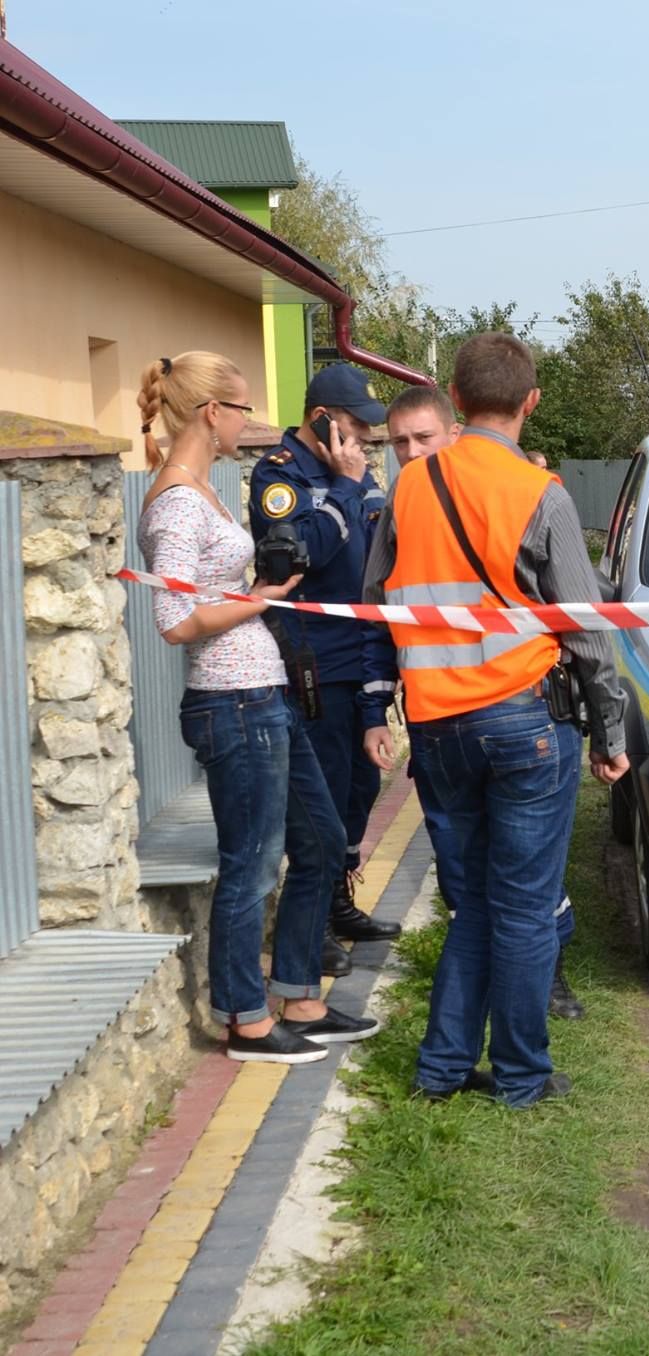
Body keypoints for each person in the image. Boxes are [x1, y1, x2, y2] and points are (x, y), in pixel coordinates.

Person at [363, 333, 629, 1107]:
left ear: (455, 395)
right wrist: (609, 734)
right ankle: (521, 1075)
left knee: (474, 904)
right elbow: (586, 627)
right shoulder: (536, 491)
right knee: (521, 908)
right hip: (523, 724)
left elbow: (378, 597)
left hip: (438, 730)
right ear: (531, 401)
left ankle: (440, 1071)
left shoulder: (407, 489)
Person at [136, 352, 379, 1063]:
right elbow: (175, 618)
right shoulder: (178, 500)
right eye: (242, 407)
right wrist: (262, 598)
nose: (252, 420)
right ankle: (246, 1017)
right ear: (213, 412)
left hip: (263, 692)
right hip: (231, 702)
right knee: (251, 863)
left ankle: (299, 996)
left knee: (323, 840)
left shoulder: (204, 489)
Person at [361, 388, 586, 1021]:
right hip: (484, 718)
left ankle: (503, 1021)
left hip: (470, 720)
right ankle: (510, 1054)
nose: (409, 454)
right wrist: (374, 706)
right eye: (398, 443)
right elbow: (377, 615)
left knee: (509, 892)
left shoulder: (511, 488)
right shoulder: (407, 502)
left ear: (454, 427)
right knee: (493, 893)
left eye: (421, 439)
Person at [248, 363, 403, 977]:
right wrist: (342, 486)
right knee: (324, 799)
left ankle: (339, 899)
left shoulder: (356, 474)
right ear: (320, 419)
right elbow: (299, 553)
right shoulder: (278, 477)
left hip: (362, 647)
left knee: (361, 786)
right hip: (313, 658)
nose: (363, 439)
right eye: (354, 426)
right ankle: (311, 923)